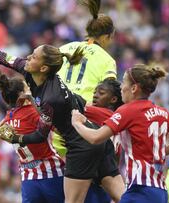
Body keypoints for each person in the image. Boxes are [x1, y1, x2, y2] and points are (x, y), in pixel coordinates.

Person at [0, 30, 106, 203]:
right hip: (83, 141)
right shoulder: (31, 74)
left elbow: (40, 135)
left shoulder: (51, 98)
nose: (28, 57)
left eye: (33, 57)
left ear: (43, 68)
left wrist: (14, 137)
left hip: (82, 147)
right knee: (113, 193)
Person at [71, 64, 169, 203]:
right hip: (160, 191)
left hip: (140, 190)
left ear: (134, 88)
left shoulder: (128, 110)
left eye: (124, 82)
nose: (121, 87)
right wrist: (161, 151)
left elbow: (95, 138)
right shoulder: (162, 112)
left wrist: (77, 122)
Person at [56, 0, 124, 201]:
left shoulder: (64, 48)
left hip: (60, 126)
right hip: (88, 124)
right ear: (107, 36)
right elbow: (109, 95)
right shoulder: (106, 59)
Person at [0, 74, 65, 203]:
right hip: (51, 171)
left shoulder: (8, 118)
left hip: (28, 176)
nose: (30, 89)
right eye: (27, 87)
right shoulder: (32, 112)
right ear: (22, 94)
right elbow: (58, 129)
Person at [83, 79, 125, 203]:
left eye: (101, 93)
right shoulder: (116, 116)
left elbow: (73, 108)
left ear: (113, 99)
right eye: (95, 92)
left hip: (96, 174)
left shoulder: (102, 113)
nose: (95, 95)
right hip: (105, 174)